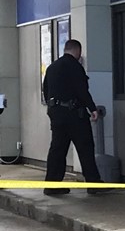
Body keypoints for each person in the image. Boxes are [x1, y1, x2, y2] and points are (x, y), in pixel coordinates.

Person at [42, 39, 104, 196]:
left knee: (57, 149)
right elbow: (81, 90)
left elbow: (46, 90)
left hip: (56, 114)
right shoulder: (75, 67)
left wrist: (52, 109)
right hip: (74, 114)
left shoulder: (52, 67)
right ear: (78, 51)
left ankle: (52, 184)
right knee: (85, 147)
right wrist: (92, 108)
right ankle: (93, 183)